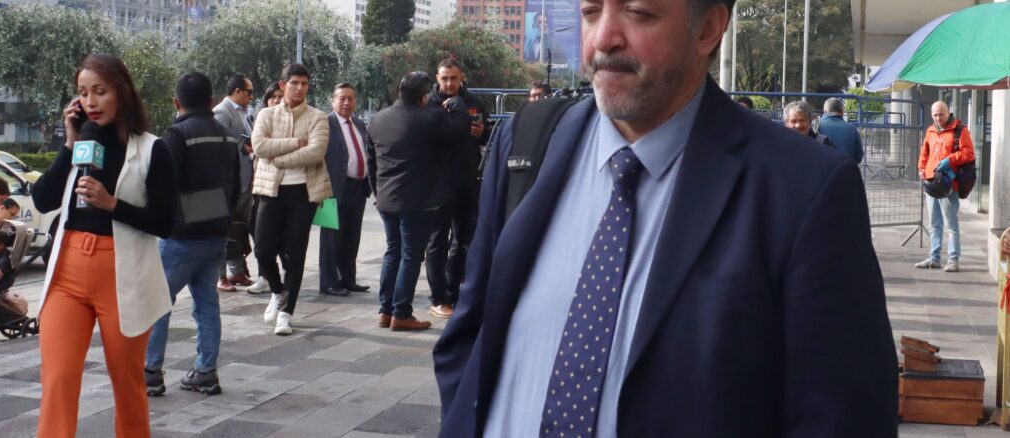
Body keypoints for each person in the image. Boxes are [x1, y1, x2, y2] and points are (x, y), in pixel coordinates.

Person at [433, 0, 898, 435]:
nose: (603, 38)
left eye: (637, 12)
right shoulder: (527, 141)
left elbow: (841, 416)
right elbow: (471, 333)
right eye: (591, 11)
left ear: (708, 28)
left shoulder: (804, 190)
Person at [32, 53, 178, 438]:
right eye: (83, 93)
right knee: (57, 378)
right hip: (67, 272)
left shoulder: (152, 148)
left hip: (122, 274)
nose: (90, 102)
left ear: (122, 92)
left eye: (100, 91)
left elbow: (166, 223)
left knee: (127, 382)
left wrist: (113, 204)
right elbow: (43, 199)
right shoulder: (81, 143)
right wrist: (69, 144)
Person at [144, 72, 241, 397]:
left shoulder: (177, 135)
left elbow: (161, 186)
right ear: (212, 101)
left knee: (158, 303)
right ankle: (205, 371)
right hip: (217, 232)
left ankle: (151, 372)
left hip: (181, 236)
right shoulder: (228, 136)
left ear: (176, 103)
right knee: (207, 305)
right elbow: (237, 187)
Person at [367, 71, 471, 331]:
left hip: (386, 198)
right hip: (416, 200)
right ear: (424, 96)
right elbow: (459, 130)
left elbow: (371, 161)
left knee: (392, 252)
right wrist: (458, 106)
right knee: (411, 256)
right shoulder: (430, 117)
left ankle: (385, 310)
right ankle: (401, 313)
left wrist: (377, 192)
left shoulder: (378, 119)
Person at [251, 63, 331, 336]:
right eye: (294, 83)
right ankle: (276, 291)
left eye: (304, 83)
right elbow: (260, 147)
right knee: (262, 250)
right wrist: (296, 142)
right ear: (283, 85)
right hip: (270, 191)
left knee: (295, 253)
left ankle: (286, 312)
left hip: (303, 193)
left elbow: (316, 152)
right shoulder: (266, 114)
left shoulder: (318, 117)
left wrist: (279, 158)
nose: (300, 88)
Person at [425, 58, 490, 318]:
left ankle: (455, 292)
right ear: (437, 78)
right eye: (445, 78)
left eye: (454, 78)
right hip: (437, 184)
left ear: (461, 77)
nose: (449, 83)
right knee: (436, 241)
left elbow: (488, 135)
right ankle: (438, 297)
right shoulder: (428, 103)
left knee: (463, 241)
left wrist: (482, 132)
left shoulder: (474, 102)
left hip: (467, 181)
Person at [319, 83, 372, 296]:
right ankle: (329, 282)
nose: (347, 102)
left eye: (351, 98)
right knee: (330, 238)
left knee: (352, 236)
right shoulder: (325, 124)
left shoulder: (359, 123)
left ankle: (348, 279)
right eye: (342, 98)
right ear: (333, 101)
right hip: (331, 189)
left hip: (358, 188)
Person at [915, 101, 974, 273]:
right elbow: (924, 153)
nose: (938, 118)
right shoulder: (930, 130)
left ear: (948, 112)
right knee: (935, 223)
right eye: (935, 115)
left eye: (941, 114)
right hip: (931, 183)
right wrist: (921, 168)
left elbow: (968, 153)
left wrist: (950, 160)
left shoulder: (960, 130)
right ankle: (934, 258)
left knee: (951, 225)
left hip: (949, 184)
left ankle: (953, 259)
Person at [242, 81, 287, 296]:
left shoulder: (289, 122)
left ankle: (284, 275)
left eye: (280, 97)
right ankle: (264, 276)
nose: (276, 101)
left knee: (282, 237)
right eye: (273, 97)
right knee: (260, 236)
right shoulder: (260, 120)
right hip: (259, 187)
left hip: (282, 187)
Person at [212, 74, 256, 292]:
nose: (251, 97)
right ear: (237, 91)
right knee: (225, 229)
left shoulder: (245, 113)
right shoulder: (222, 112)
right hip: (230, 182)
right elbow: (219, 149)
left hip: (247, 181)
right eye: (249, 92)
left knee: (239, 228)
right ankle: (220, 276)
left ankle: (237, 271)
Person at [818, 97, 864, 164]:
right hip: (846, 168)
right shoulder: (852, 129)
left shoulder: (815, 125)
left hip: (821, 168)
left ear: (824, 111)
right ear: (842, 112)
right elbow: (859, 156)